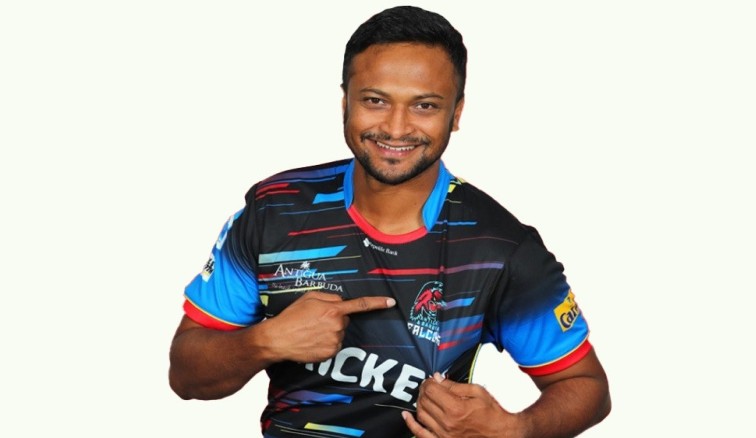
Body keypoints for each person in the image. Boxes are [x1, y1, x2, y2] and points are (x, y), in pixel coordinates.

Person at [169, 5, 611, 437]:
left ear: (456, 114)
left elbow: (586, 386)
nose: (396, 128)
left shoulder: (501, 248)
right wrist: (266, 341)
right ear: (345, 102)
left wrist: (515, 430)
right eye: (375, 100)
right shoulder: (275, 209)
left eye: (425, 106)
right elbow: (186, 376)